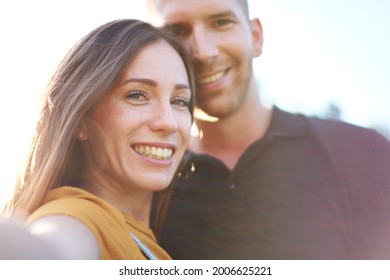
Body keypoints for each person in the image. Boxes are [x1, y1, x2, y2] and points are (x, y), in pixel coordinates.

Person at [146, 0, 390, 259]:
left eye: (221, 22)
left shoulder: (362, 154)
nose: (203, 52)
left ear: (256, 37)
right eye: (177, 31)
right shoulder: (145, 185)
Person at [0, 18, 195, 260]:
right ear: (82, 119)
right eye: (137, 95)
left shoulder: (147, 234)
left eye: (179, 101)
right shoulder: (79, 216)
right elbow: (51, 249)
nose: (169, 122)